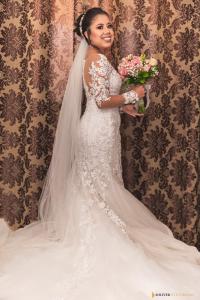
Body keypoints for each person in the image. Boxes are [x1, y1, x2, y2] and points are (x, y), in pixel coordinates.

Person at [0, 7, 200, 300]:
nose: (107, 31)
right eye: (99, 27)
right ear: (86, 34)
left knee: (99, 188)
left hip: (104, 132)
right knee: (96, 190)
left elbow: (105, 100)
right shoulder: (95, 60)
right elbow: (102, 100)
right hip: (95, 134)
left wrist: (127, 107)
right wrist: (136, 94)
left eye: (109, 25)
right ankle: (97, 242)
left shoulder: (100, 59)